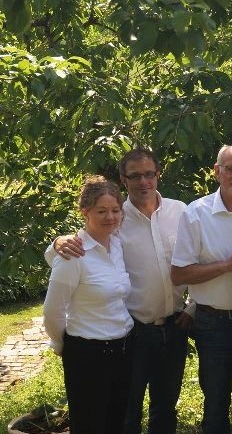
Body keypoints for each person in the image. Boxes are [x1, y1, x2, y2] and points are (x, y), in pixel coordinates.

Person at [47, 148, 191, 434]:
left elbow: (198, 257)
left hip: (175, 325)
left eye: (149, 174)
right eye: (134, 176)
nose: (143, 182)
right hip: (134, 331)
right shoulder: (115, 217)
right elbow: (80, 249)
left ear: (158, 174)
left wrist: (193, 306)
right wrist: (56, 243)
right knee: (127, 411)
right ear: (124, 180)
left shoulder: (181, 212)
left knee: (165, 408)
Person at [171, 145, 232, 434]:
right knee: (216, 404)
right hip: (213, 323)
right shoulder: (195, 213)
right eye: (230, 168)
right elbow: (178, 274)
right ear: (217, 171)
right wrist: (226, 265)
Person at [44, 175, 134, 434]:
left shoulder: (116, 245)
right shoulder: (73, 255)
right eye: (102, 211)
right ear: (85, 212)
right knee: (90, 424)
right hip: (87, 353)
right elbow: (53, 311)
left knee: (117, 421)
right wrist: (61, 344)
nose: (110, 217)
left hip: (124, 347)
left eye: (116, 210)